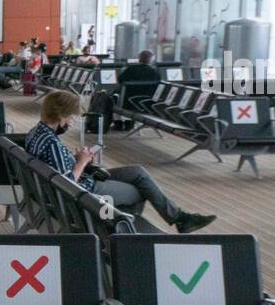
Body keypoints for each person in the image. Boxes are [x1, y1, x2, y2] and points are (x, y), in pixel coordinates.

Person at [25, 90, 216, 233]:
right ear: (60, 116)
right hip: (84, 190)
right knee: (138, 192)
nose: (72, 122)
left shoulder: (37, 132)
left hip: (80, 179)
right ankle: (119, 230)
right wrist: (81, 162)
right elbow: (66, 183)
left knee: (138, 172)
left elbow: (56, 167)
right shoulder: (50, 141)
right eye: (70, 118)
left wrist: (76, 159)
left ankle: (179, 218)